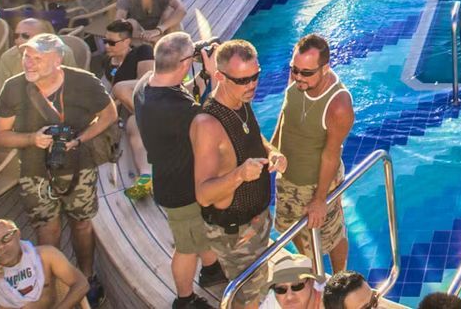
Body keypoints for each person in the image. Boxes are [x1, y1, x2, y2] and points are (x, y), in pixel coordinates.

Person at [0, 33, 117, 303]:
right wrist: (31, 139)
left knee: (82, 225)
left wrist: (80, 139)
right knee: (47, 230)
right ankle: (54, 281)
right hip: (35, 173)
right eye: (27, 56)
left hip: (79, 167)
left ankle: (86, 276)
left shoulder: (83, 82)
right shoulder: (14, 88)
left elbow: (110, 114)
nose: (29, 63)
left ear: (58, 60)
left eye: (38, 58)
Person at [134, 33, 225, 308]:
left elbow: (183, 91)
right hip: (182, 189)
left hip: (169, 177)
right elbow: (215, 117)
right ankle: (184, 299)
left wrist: (202, 78)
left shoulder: (146, 86)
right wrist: (215, 76)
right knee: (186, 249)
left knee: (198, 232)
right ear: (185, 63)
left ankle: (212, 270)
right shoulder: (177, 109)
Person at [192, 40, 281, 299]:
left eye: (255, 76)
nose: (251, 85)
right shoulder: (208, 125)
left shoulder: (239, 98)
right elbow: (203, 194)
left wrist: (272, 151)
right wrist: (240, 174)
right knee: (249, 297)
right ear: (219, 76)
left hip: (255, 221)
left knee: (252, 290)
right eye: (243, 80)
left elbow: (254, 135)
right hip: (235, 231)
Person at [273, 34, 354, 272]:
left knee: (333, 235)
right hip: (287, 175)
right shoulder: (298, 79)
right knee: (291, 227)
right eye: (294, 69)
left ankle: (340, 278)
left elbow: (331, 155)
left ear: (326, 68)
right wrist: (271, 149)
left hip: (317, 183)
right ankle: (313, 269)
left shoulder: (339, 105)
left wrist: (319, 199)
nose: (298, 77)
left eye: (306, 72)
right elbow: (285, 113)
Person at [0, 219, 92, 309]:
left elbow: (82, 284)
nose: (1, 247)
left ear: (18, 234)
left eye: (6, 238)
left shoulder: (46, 256)